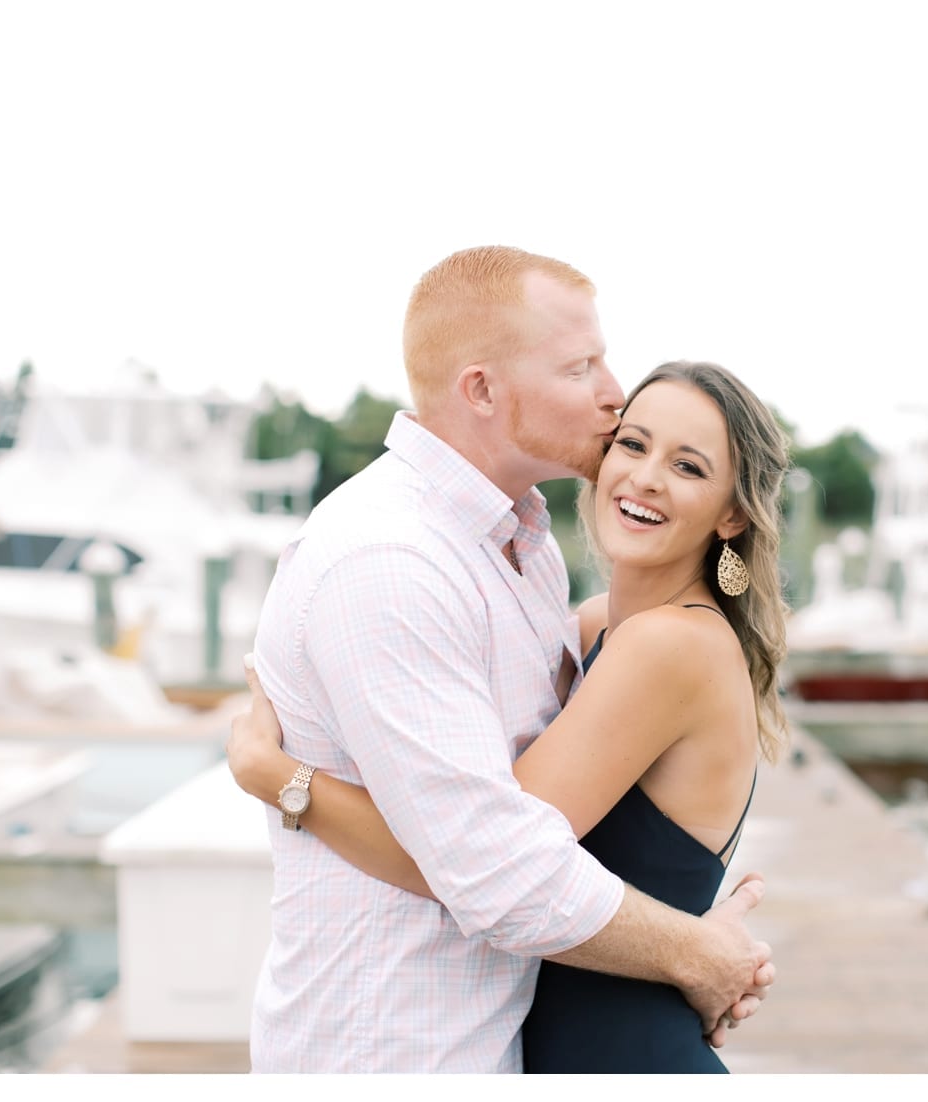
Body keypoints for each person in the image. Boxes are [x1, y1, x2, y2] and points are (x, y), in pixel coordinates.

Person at [228, 246, 775, 1073]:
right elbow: (491, 861)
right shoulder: (395, 559)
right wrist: (696, 951)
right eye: (581, 366)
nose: (610, 392)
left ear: (731, 514)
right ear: (482, 388)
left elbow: (490, 856)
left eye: (689, 465)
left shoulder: (529, 556)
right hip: (391, 1054)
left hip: (555, 1047)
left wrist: (285, 782)